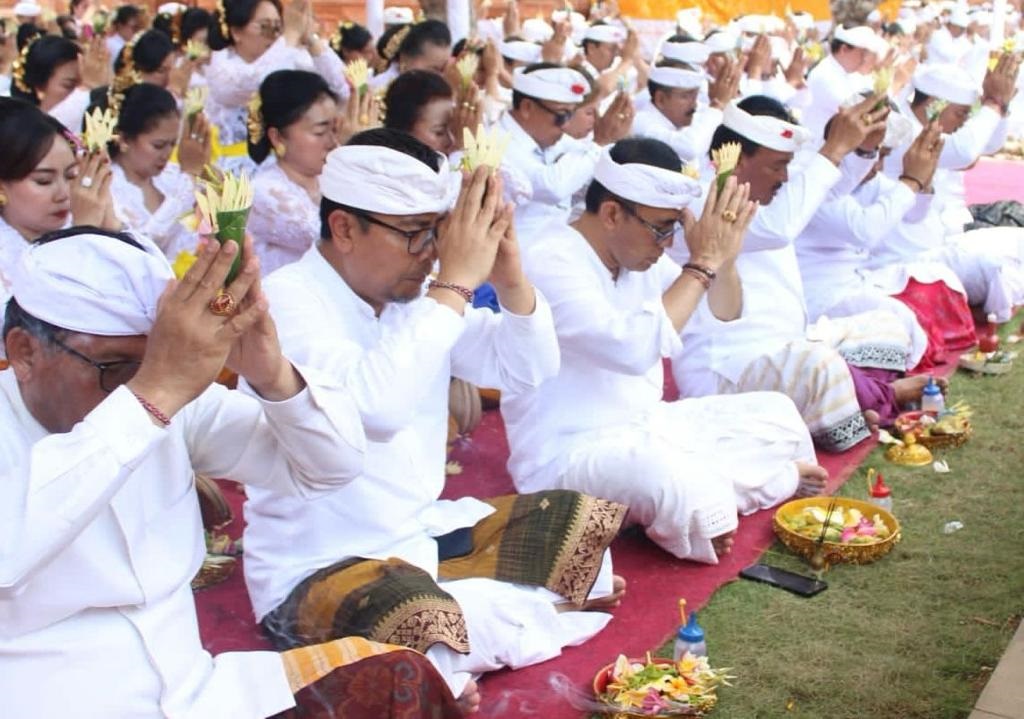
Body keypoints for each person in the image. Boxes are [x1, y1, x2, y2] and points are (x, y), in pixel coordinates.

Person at [0, 226, 462, 718]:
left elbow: (333, 466)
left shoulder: (170, 404)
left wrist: (271, 372)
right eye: (115, 368)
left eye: (153, 361)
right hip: (58, 703)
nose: (139, 385)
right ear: (25, 352)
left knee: (400, 680)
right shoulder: (154, 398)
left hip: (199, 695)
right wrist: (152, 393)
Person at [243, 129, 627, 707]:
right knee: (416, 623)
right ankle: (465, 640)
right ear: (345, 228)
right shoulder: (291, 300)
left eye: (437, 233)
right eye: (415, 234)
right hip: (319, 567)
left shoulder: (416, 299)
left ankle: (465, 639)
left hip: (418, 538)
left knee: (581, 527)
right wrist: (452, 285)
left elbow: (529, 367)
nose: (430, 251)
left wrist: (510, 275)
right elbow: (378, 409)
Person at [504, 137, 827, 563]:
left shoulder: (639, 257)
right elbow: (631, 349)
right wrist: (701, 264)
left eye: (673, 227)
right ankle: (760, 484)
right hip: (567, 455)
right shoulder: (551, 260)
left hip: (647, 425)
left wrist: (723, 256)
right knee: (673, 483)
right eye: (661, 227)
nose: (666, 242)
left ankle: (704, 496)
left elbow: (723, 312)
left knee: (778, 415)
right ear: (613, 213)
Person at [671, 96, 936, 451]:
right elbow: (780, 227)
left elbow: (828, 188)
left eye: (787, 166)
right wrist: (833, 149)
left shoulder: (766, 190)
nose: (784, 177)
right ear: (733, 160)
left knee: (888, 325)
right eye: (776, 166)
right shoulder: (704, 197)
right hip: (727, 367)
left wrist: (863, 148)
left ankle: (848, 401)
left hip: (791, 345)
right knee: (819, 366)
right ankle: (876, 399)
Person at [204, 0, 347, 174]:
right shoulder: (222, 66)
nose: (274, 35)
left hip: (288, 167)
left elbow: (343, 89)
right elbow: (257, 81)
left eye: (279, 27)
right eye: (265, 27)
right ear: (236, 32)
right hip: (235, 172)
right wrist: (290, 36)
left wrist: (309, 38)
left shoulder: (288, 56)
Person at [0, 99, 118, 301]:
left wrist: (110, 225)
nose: (64, 194)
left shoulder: (75, 223)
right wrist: (83, 234)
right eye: (44, 181)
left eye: (71, 176)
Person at [499, 62, 632, 241]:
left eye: (570, 115)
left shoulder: (551, 138)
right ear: (527, 107)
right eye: (562, 115)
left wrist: (614, 140)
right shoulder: (496, 141)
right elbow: (552, 186)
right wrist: (600, 143)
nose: (566, 124)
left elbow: (589, 170)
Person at [101, 83, 208, 260]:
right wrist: (190, 177)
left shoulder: (172, 176)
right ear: (124, 139)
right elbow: (141, 245)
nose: (167, 154)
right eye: (158, 145)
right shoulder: (107, 186)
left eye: (172, 145)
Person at [247, 69, 338, 273]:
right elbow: (336, 239)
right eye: (320, 132)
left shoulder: (328, 177)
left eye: (335, 130)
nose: (333, 142)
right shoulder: (264, 192)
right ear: (278, 137)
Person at [631, 56, 740, 165]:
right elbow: (691, 148)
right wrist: (718, 106)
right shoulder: (641, 123)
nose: (694, 104)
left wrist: (721, 103)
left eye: (695, 96)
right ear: (661, 99)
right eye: (686, 96)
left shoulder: (690, 112)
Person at [10, 33, 109, 131]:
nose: (80, 91)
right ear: (39, 87)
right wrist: (90, 87)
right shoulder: (21, 132)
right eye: (69, 85)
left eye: (81, 87)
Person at [370, 19, 452, 91]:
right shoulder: (376, 92)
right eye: (434, 69)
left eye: (442, 70)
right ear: (404, 61)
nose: (440, 77)